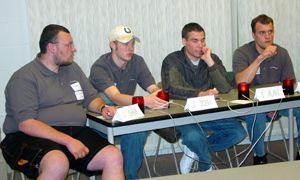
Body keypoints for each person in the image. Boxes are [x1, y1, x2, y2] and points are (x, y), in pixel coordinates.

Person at [0, 24, 124, 180]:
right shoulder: (24, 77)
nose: (73, 49)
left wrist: (102, 107)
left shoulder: (72, 69)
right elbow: (26, 123)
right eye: (69, 45)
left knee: (114, 156)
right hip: (28, 137)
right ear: (51, 47)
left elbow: (90, 97)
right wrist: (68, 141)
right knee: (57, 163)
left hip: (74, 132)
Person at [89, 26, 178, 179]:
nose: (130, 48)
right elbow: (115, 97)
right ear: (112, 44)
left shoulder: (137, 61)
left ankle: (129, 176)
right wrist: (145, 102)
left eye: (132, 43)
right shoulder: (99, 67)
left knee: (136, 129)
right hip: (102, 121)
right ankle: (156, 126)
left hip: (126, 118)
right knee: (107, 97)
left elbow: (153, 89)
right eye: (125, 44)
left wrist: (159, 97)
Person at [161, 22, 247, 173]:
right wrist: (199, 94)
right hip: (183, 115)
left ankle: (194, 151)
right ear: (184, 41)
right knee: (195, 136)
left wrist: (209, 62)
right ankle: (205, 167)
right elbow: (171, 87)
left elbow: (226, 88)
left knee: (238, 133)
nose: (200, 45)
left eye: (202, 40)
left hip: (208, 113)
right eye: (195, 40)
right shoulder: (172, 60)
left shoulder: (211, 58)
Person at [233, 14, 300, 164]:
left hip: (275, 102)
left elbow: (290, 86)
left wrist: (277, 105)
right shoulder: (242, 53)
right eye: (262, 32)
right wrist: (260, 58)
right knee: (258, 113)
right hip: (249, 105)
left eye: (270, 31)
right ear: (253, 35)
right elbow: (240, 81)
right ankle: (259, 157)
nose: (267, 36)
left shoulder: (281, 53)